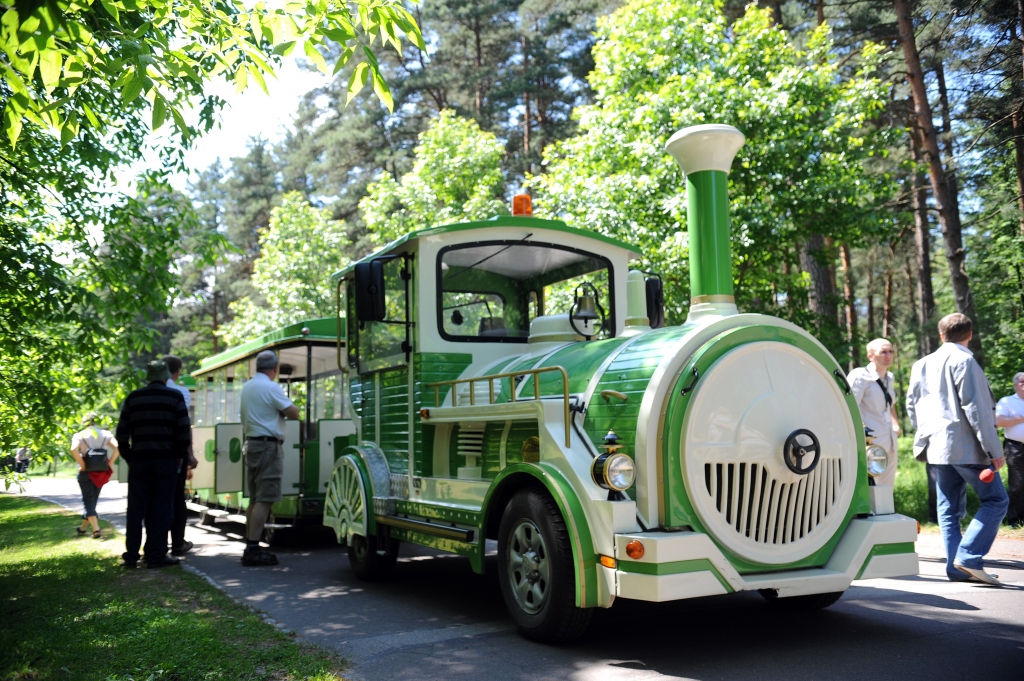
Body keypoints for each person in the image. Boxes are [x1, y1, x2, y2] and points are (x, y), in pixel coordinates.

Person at [907, 313, 1008, 585]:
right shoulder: (965, 360)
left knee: (948, 509)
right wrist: (994, 450)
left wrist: (925, 433)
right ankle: (969, 557)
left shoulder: (921, 364)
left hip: (936, 446)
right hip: (965, 446)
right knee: (997, 500)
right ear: (970, 334)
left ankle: (955, 568)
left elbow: (911, 406)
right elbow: (977, 410)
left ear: (941, 335)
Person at [116, 359, 191, 569]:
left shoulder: (133, 398)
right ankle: (156, 554)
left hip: (139, 461)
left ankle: (131, 555)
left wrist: (129, 456)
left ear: (148, 377)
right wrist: (178, 457)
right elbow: (183, 432)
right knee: (162, 508)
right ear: (166, 376)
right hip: (166, 461)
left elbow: (121, 434)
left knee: (136, 509)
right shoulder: (174, 397)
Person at [239, 350, 299, 567]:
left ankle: (249, 544)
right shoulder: (271, 387)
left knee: (255, 499)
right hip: (267, 447)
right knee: (265, 498)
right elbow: (294, 412)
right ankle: (254, 549)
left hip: (252, 444)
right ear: (275, 369)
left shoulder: (248, 387)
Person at [849, 338, 901, 486]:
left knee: (887, 487)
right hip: (871, 442)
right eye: (883, 352)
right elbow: (849, 407)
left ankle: (886, 510)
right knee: (871, 487)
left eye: (891, 351)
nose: (888, 355)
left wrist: (896, 424)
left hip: (889, 439)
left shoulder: (889, 377)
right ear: (870, 356)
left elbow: (891, 405)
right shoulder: (860, 376)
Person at [164, 354, 198, 556]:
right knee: (177, 498)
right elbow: (184, 425)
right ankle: (178, 542)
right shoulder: (181, 391)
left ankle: (155, 543)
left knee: (158, 498)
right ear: (177, 372)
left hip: (154, 452)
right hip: (176, 452)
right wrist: (190, 453)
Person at [70, 414, 119, 538]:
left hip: (86, 472)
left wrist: (82, 464)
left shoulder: (79, 435)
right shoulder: (106, 434)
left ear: (84, 422)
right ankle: (82, 528)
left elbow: (73, 449)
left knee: (88, 501)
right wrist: (110, 463)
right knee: (92, 501)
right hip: (101, 471)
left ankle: (96, 529)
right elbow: (118, 447)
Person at [995, 372, 1024, 528]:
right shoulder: (1007, 401)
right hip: (1016, 447)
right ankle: (1014, 520)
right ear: (1015, 385)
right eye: (1022, 382)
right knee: (1018, 483)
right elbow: (998, 421)